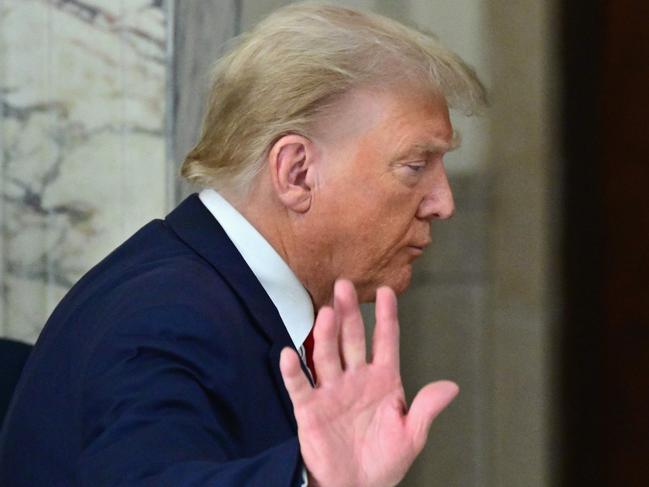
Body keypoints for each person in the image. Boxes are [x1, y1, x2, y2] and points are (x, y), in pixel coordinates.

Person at [0, 3, 485, 486]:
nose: (443, 203)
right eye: (415, 166)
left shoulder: (207, 290)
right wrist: (309, 480)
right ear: (296, 173)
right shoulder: (169, 316)